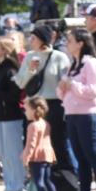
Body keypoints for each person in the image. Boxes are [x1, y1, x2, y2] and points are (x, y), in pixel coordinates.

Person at [57, 29, 96, 191]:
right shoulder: (73, 64)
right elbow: (63, 93)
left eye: (70, 40)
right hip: (72, 114)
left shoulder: (92, 64)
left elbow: (95, 92)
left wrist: (73, 85)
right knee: (80, 157)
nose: (67, 43)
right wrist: (62, 87)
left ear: (81, 43)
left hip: (88, 115)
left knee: (94, 156)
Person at [15, 25, 75, 177]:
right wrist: (31, 70)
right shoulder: (29, 57)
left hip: (54, 104)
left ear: (43, 39)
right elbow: (20, 83)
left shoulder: (59, 57)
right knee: (33, 143)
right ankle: (38, 180)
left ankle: (66, 178)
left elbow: (65, 83)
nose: (30, 41)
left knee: (57, 142)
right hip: (34, 106)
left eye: (34, 38)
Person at [0, 37, 27, 191]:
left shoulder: (11, 69)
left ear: (4, 50)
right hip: (0, 114)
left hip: (12, 115)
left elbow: (14, 94)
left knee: (13, 152)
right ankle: (9, 184)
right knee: (3, 153)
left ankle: (18, 186)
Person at [22, 97, 57, 191]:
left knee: (39, 181)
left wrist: (26, 158)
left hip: (37, 157)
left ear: (34, 110)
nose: (25, 112)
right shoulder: (46, 123)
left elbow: (31, 144)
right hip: (47, 155)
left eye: (27, 110)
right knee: (47, 180)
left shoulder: (32, 126)